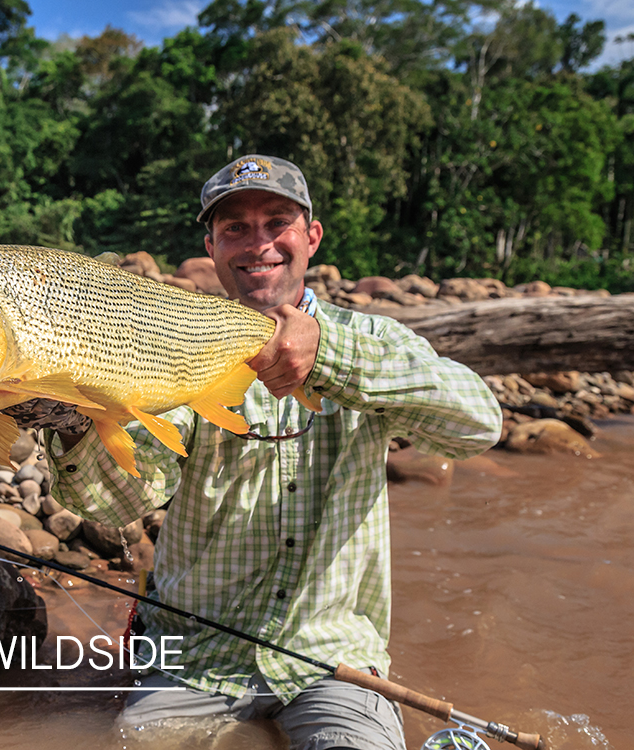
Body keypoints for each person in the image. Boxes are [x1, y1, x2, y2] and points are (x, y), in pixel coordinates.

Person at [39, 154, 503, 749]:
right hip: (191, 658)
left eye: (276, 222)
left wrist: (330, 356)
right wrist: (69, 421)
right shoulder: (172, 346)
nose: (258, 244)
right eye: (235, 228)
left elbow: (476, 424)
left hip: (332, 660)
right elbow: (121, 500)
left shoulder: (375, 340)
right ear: (211, 246)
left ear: (311, 237)